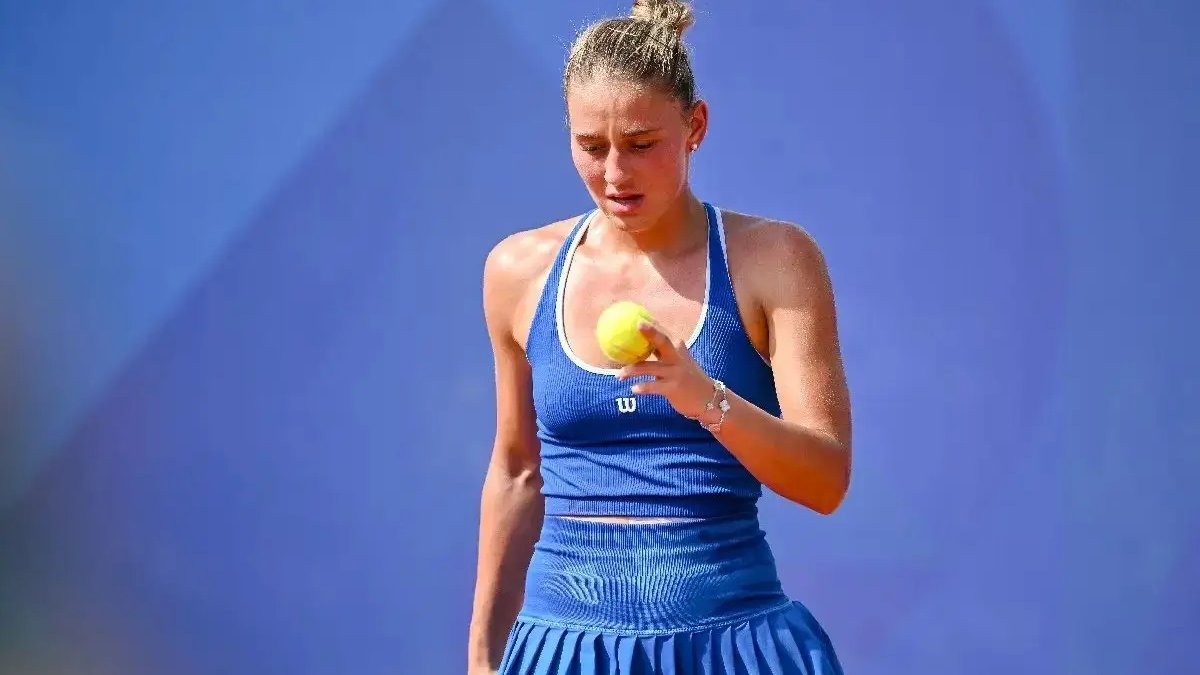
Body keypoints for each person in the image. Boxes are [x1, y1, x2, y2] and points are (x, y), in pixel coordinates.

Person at [467, 1, 852, 672]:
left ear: (695, 126)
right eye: (592, 146)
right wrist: (481, 657)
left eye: (642, 144)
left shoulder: (776, 260)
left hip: (730, 642)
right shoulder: (516, 270)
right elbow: (516, 471)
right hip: (565, 647)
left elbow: (826, 479)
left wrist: (708, 400)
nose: (615, 173)